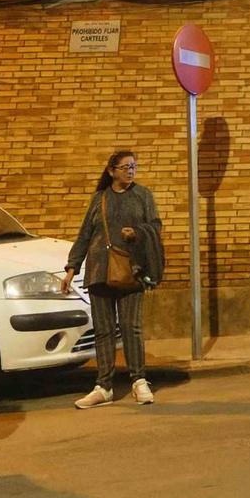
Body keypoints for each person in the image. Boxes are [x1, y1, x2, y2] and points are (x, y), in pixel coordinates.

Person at [64, 149, 164, 409]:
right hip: (99, 271)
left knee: (131, 327)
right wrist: (72, 267)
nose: (130, 171)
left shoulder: (143, 195)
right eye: (125, 167)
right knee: (104, 331)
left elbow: (155, 226)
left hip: (131, 269)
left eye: (134, 167)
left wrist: (138, 233)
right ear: (111, 171)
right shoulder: (100, 198)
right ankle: (103, 386)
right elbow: (85, 234)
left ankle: (139, 380)